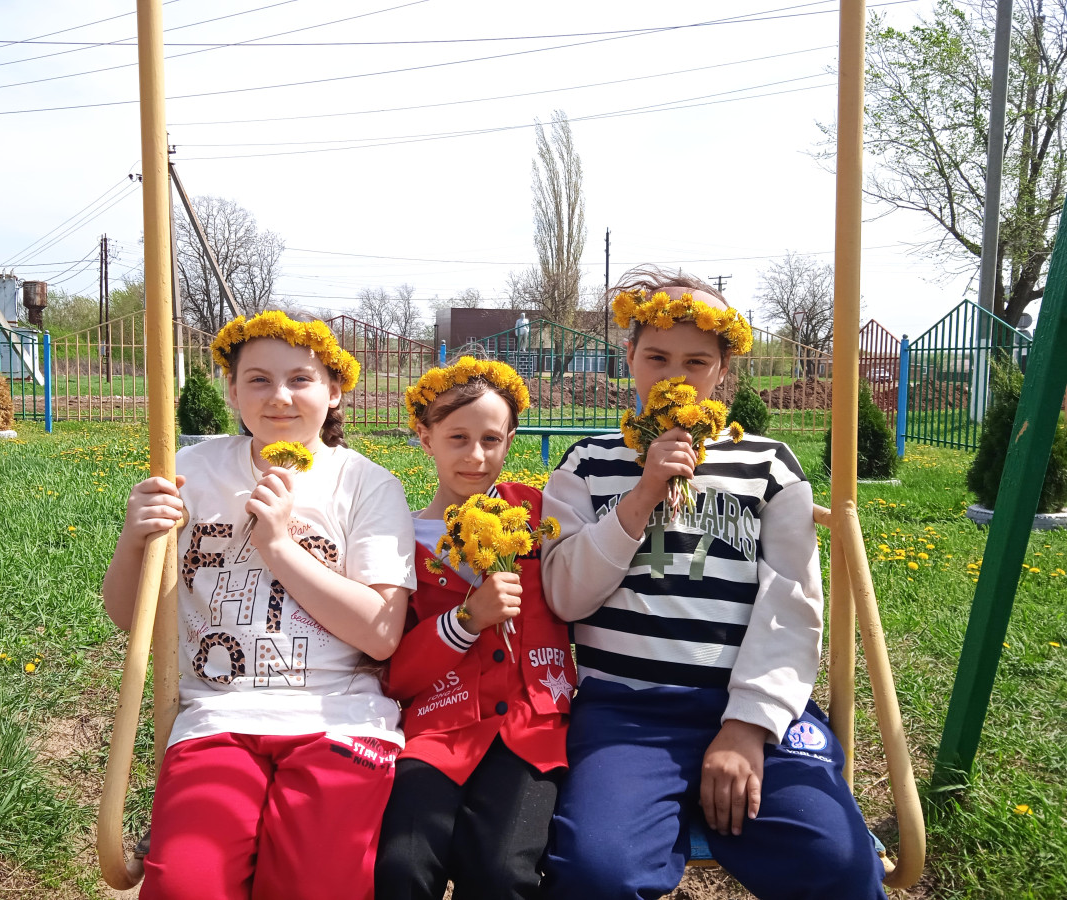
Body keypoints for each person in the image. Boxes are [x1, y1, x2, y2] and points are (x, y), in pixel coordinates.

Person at [539, 268, 886, 900]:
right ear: (629, 358)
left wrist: (749, 725)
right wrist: (643, 492)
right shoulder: (586, 464)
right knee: (597, 872)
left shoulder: (768, 465)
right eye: (657, 357)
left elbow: (791, 605)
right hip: (627, 712)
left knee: (838, 861)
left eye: (696, 361)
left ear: (723, 369)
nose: (674, 376)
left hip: (748, 709)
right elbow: (563, 596)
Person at [102, 311, 416, 900]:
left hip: (338, 719)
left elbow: (381, 633)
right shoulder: (190, 472)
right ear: (231, 390)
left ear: (334, 390)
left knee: (312, 887)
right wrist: (133, 538)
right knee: (186, 889)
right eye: (258, 380)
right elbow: (128, 615)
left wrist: (279, 547)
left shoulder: (366, 485)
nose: (279, 397)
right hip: (219, 717)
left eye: (300, 379)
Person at [375, 357, 575, 900]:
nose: (476, 456)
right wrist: (466, 620)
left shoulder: (535, 513)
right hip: (438, 732)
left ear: (510, 439)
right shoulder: (400, 542)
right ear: (425, 437)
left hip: (530, 733)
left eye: (491, 439)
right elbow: (396, 673)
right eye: (457, 438)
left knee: (502, 873)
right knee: (401, 865)